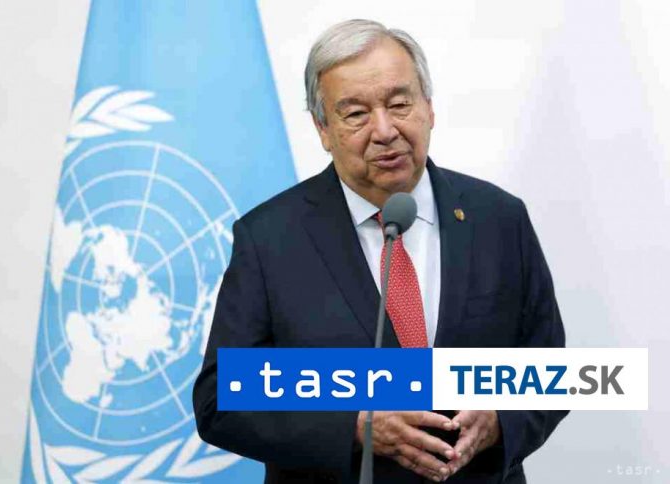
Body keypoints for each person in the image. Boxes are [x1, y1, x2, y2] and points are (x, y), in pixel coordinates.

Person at [193, 19, 567, 484]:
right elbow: (221, 399)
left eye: (399, 104)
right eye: (356, 114)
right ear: (323, 129)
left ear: (429, 107)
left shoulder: (499, 220)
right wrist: (353, 427)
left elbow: (552, 370)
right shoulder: (269, 239)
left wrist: (500, 420)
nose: (385, 130)